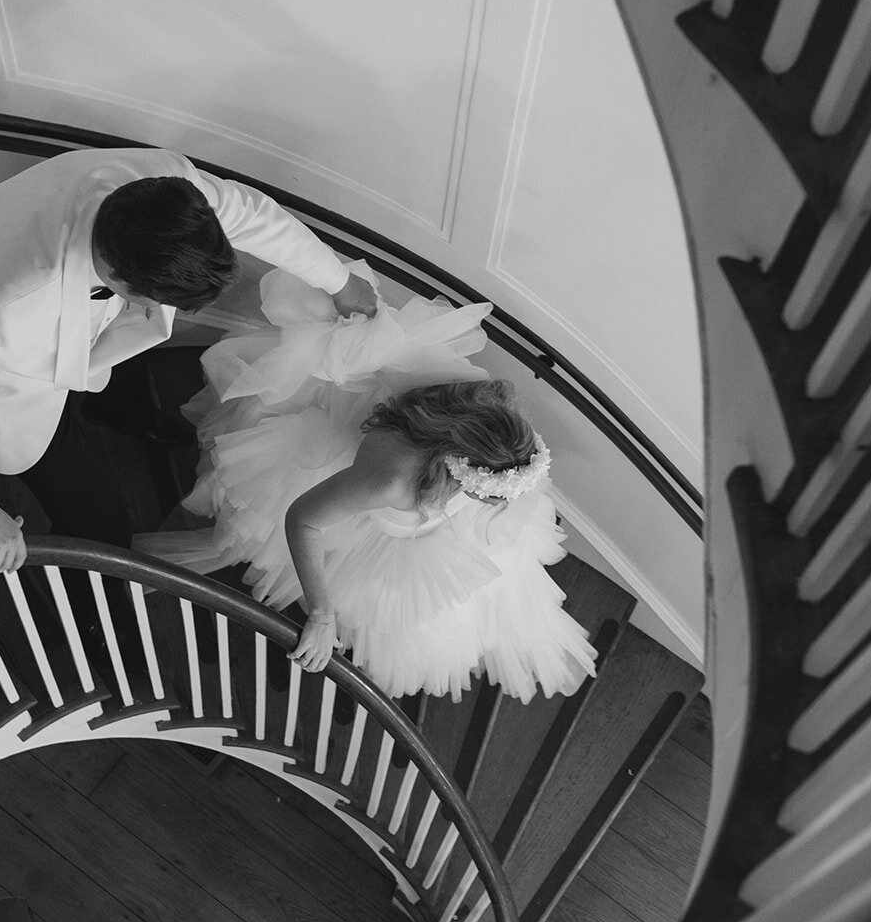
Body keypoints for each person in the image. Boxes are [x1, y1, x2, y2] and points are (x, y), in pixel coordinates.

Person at [0, 147, 375, 575]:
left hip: (88, 340)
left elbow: (256, 216)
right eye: (155, 302)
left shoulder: (168, 189)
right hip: (8, 386)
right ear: (123, 281)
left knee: (112, 376)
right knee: (100, 521)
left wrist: (338, 281)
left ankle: (114, 408)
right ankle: (94, 620)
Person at [141, 263, 597, 702]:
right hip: (364, 511)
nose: (488, 505)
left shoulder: (497, 409)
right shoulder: (391, 478)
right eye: (483, 494)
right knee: (400, 615)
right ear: (457, 464)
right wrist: (321, 614)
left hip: (423, 495)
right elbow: (303, 520)